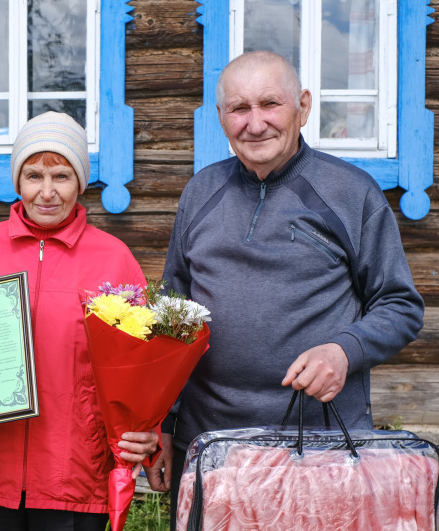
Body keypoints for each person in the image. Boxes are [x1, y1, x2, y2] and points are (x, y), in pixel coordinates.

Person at [146, 51, 425, 527]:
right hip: (212, 448)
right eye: (239, 109)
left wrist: (343, 351)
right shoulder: (200, 192)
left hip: (318, 450)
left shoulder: (351, 193)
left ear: (303, 106)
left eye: (270, 104)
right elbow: (175, 317)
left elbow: (401, 305)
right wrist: (167, 425)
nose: (255, 124)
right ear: (220, 118)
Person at [0, 111, 160, 530]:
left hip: (73, 476)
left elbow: (144, 369)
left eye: (61, 176)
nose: (46, 192)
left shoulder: (114, 260)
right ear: (16, 181)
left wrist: (148, 431)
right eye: (33, 175)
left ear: (80, 182)